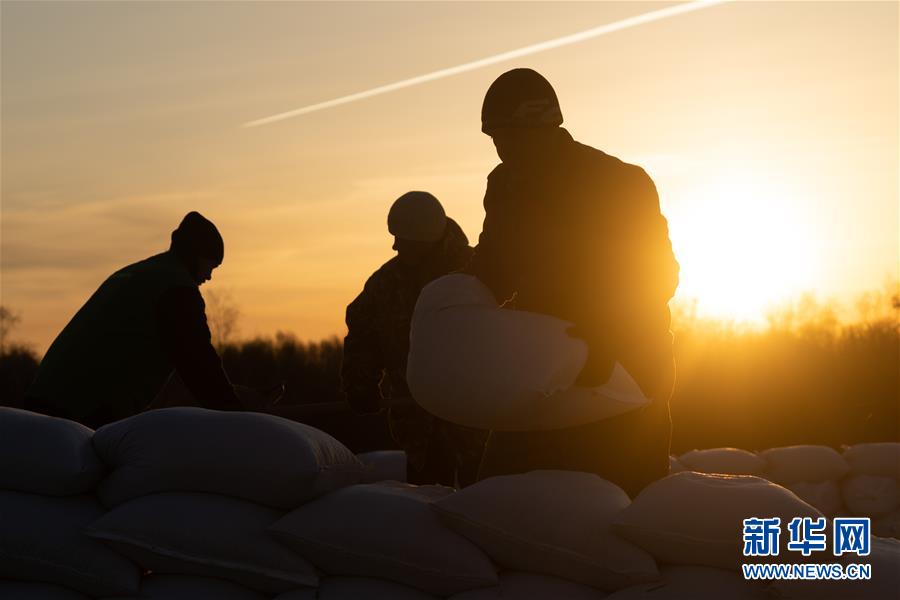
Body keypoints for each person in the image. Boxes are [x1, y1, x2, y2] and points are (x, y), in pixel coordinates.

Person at [468, 68, 680, 497]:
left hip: (626, 368)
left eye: (507, 137)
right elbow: (493, 266)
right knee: (504, 494)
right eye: (494, 140)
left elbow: (657, 273)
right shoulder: (506, 185)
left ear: (541, 127)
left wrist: (609, 333)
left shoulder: (618, 183)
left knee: (627, 500)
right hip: (547, 363)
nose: (501, 151)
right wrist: (456, 308)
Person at [26, 211, 244, 428]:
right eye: (211, 266)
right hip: (79, 410)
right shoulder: (177, 290)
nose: (209, 276)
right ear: (196, 255)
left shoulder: (140, 273)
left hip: (44, 399)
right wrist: (239, 417)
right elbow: (199, 364)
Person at [341, 191, 487, 487]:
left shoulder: (480, 273)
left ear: (424, 240)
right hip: (419, 428)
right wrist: (360, 385)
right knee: (427, 513)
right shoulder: (386, 283)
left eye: (402, 239)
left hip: (479, 422)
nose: (394, 245)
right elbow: (363, 335)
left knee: (485, 508)